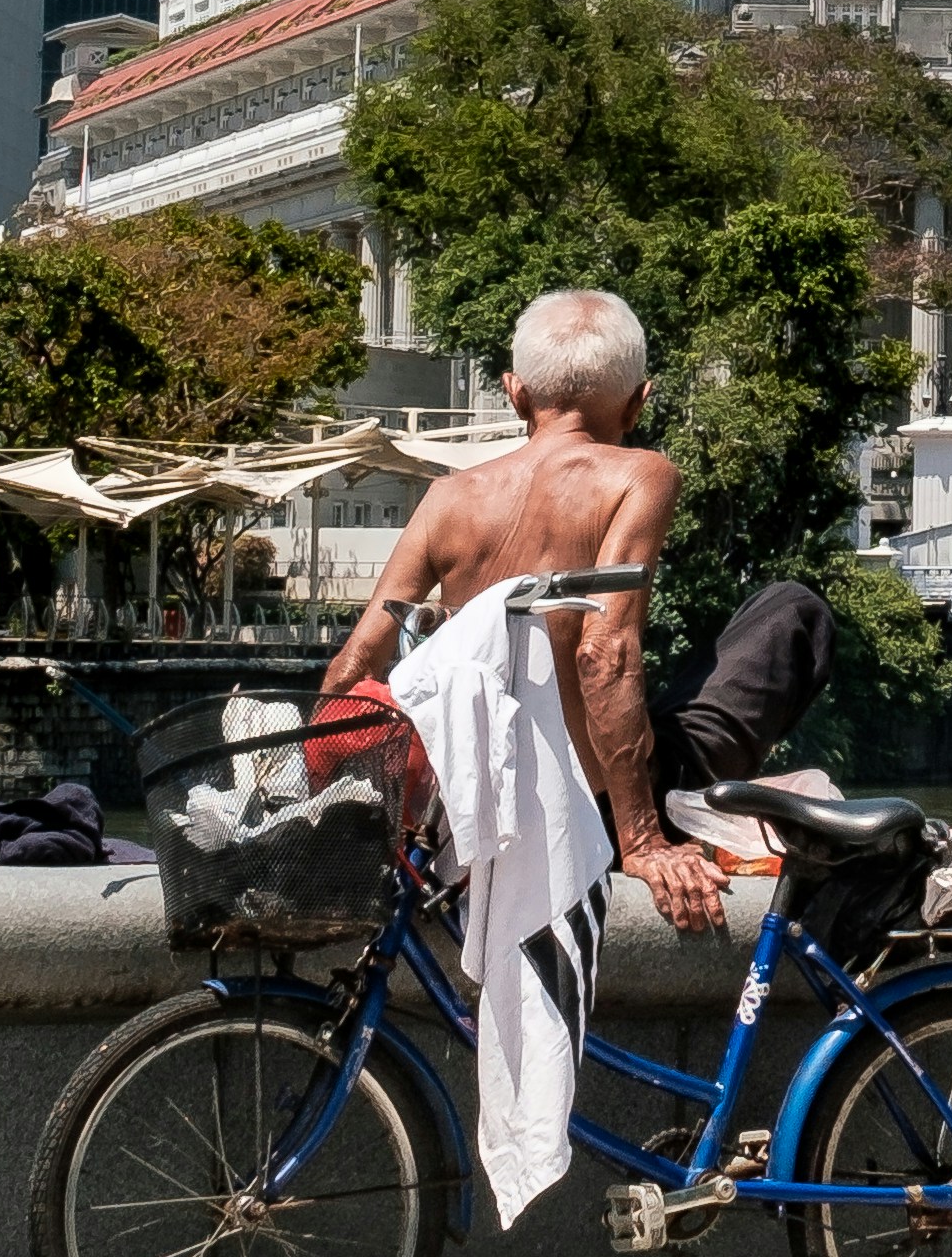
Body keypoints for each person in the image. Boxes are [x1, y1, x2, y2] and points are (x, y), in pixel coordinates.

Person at [316, 288, 834, 938]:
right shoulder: (640, 475)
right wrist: (640, 839)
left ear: (514, 392)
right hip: (595, 812)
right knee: (791, 609)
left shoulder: (447, 497)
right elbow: (604, 653)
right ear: (639, 401)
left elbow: (353, 663)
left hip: (478, 810)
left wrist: (313, 814)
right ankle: (671, 814)